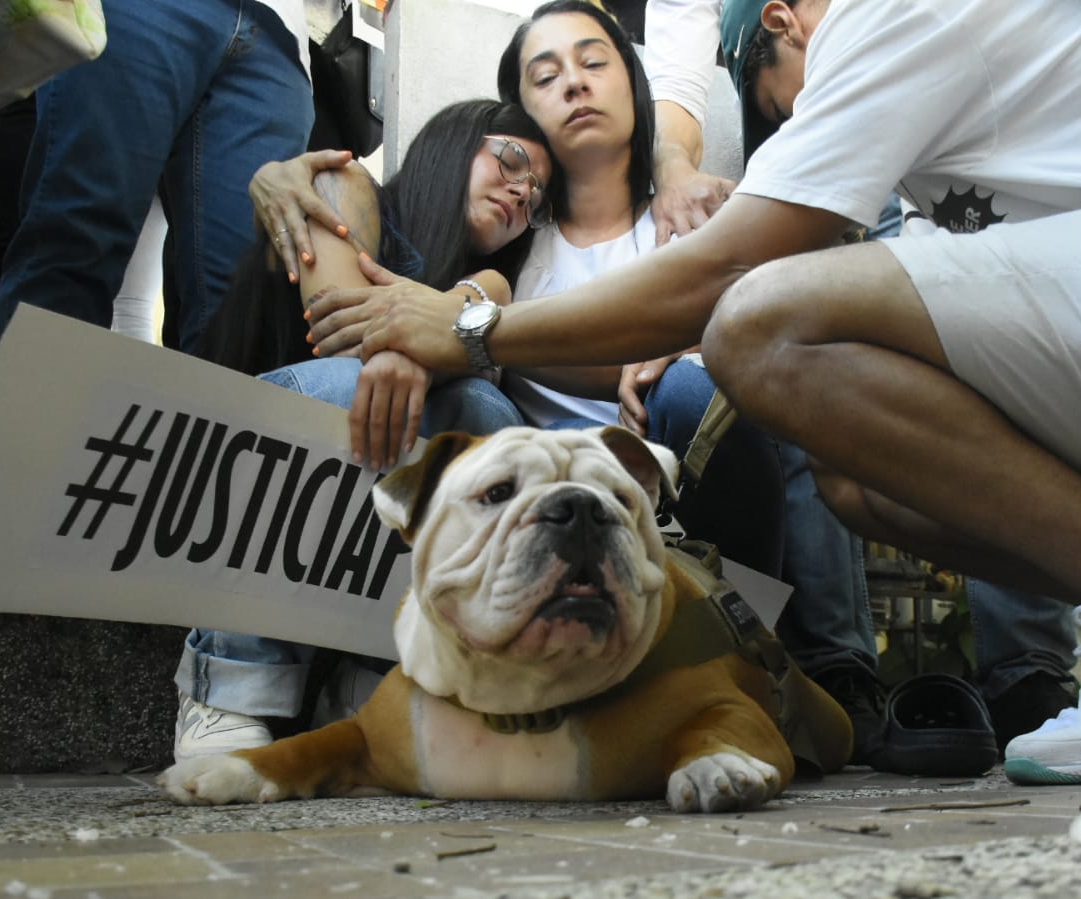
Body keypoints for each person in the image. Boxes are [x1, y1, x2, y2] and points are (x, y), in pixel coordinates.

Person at [336, 0, 1081, 785]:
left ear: (784, 25)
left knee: (764, 322)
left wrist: (472, 329)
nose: (798, 128)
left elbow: (730, 283)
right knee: (862, 482)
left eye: (781, 110)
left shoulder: (888, 11)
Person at [307, 0, 920, 771]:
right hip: (553, 538)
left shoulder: (696, 219)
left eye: (594, 62)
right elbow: (434, 288)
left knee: (703, 392)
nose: (574, 84)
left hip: (698, 507)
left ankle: (827, 668)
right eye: (545, 74)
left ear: (634, 84)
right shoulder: (507, 240)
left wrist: (690, 339)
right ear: (520, 110)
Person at [642, 0, 1081, 753]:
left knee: (995, 364)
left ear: (785, 24)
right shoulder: (788, 136)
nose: (781, 116)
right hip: (835, 183)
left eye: (771, 98)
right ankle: (839, 671)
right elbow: (680, 68)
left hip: (942, 147)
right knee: (799, 381)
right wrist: (676, 169)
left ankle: (1028, 671)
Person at [172, 98, 553, 760]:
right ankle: (226, 683)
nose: (521, 192)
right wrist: (421, 341)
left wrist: (421, 344)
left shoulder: (492, 278)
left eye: (537, 195)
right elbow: (343, 341)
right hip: (240, 470)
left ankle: (374, 679)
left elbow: (471, 306)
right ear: (453, 141)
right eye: (512, 159)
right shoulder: (346, 188)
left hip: (353, 514)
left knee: (488, 417)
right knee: (350, 393)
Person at [0, 0, 314, 364]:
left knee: (244, 302)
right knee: (77, 241)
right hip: (136, 9)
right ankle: (23, 418)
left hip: (279, 32)